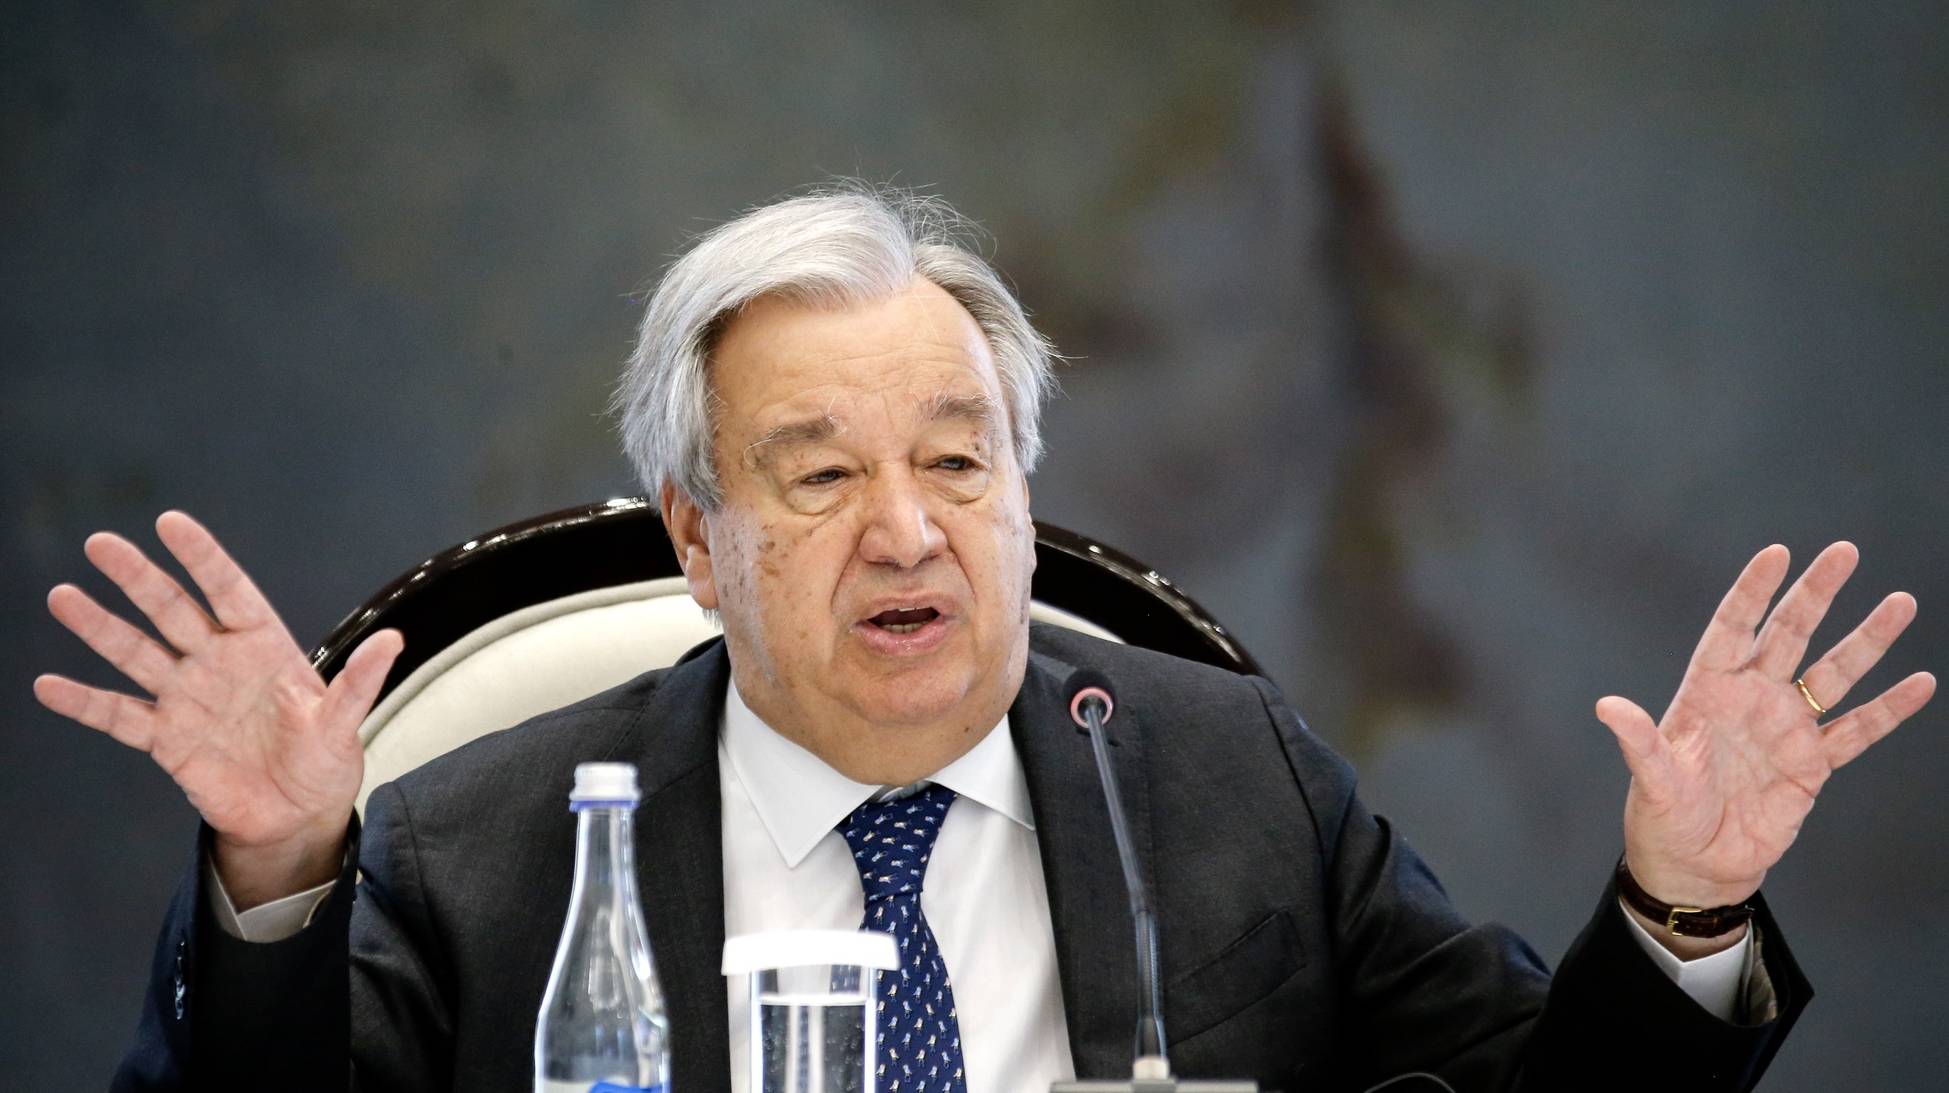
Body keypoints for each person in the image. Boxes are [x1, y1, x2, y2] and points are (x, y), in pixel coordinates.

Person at [36, 186, 1934, 1092]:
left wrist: (1679, 909)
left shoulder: (1226, 777)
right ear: (698, 538)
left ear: (1026, 497)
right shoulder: (484, 840)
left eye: (959, 458)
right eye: (818, 473)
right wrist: (282, 876)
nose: (907, 527)